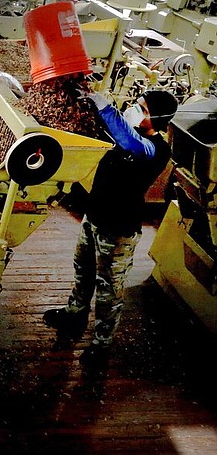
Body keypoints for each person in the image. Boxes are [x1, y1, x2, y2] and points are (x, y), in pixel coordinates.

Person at [43, 89, 179, 367]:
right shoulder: (126, 136)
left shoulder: (155, 149)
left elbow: (132, 143)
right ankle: (75, 313)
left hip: (118, 229)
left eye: (141, 107)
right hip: (93, 217)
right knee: (83, 269)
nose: (135, 109)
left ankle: (101, 343)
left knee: (109, 288)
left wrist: (107, 109)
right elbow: (115, 133)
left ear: (156, 117)